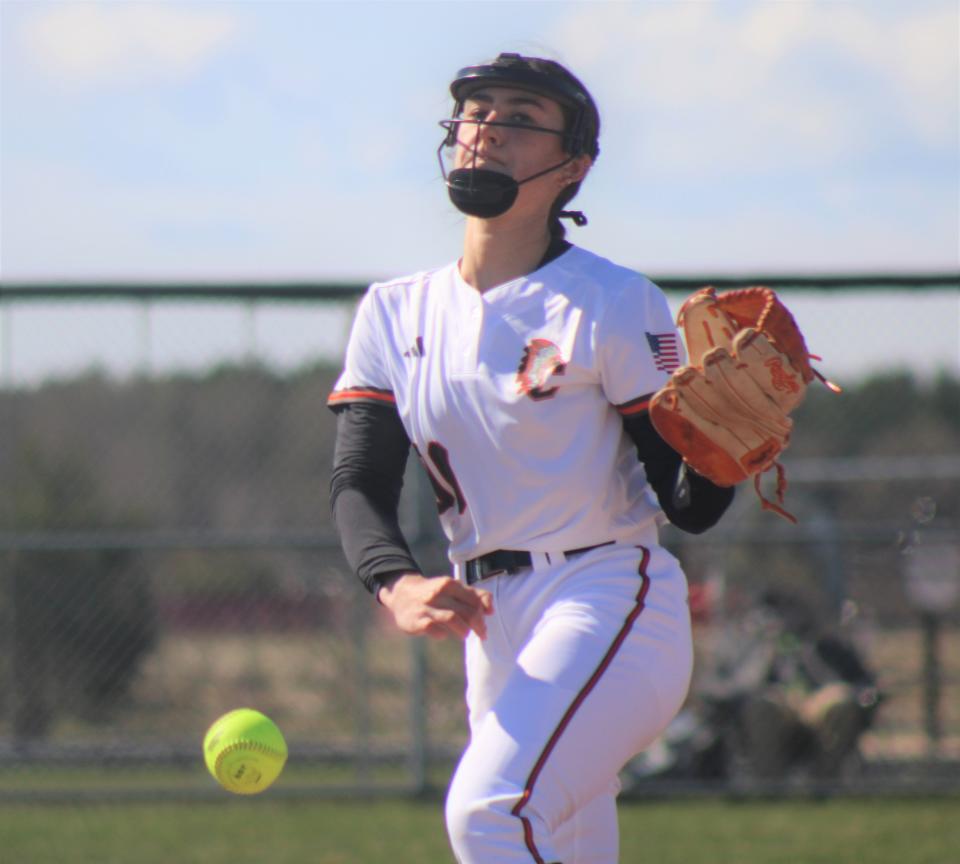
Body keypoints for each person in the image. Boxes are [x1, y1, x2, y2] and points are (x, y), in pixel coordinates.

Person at [329, 52, 735, 864]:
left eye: (519, 117)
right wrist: (395, 580)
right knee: (558, 839)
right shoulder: (394, 310)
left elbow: (689, 505)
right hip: (493, 623)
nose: (486, 131)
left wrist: (727, 445)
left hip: (604, 595)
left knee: (491, 814)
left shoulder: (611, 301)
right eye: (476, 113)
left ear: (572, 167)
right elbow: (359, 483)